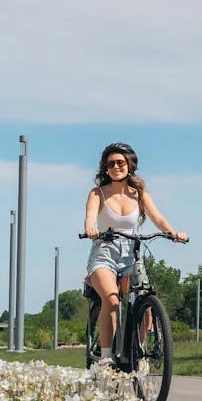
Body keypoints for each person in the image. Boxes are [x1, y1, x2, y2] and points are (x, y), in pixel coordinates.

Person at [84, 142, 186, 364]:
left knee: (144, 299)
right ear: (105, 168)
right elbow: (91, 215)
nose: (115, 167)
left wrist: (172, 232)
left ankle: (139, 354)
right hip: (104, 253)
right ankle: (106, 355)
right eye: (110, 163)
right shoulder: (98, 193)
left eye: (120, 162)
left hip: (131, 252)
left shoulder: (138, 194)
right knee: (111, 300)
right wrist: (90, 227)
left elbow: (157, 218)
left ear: (129, 166)